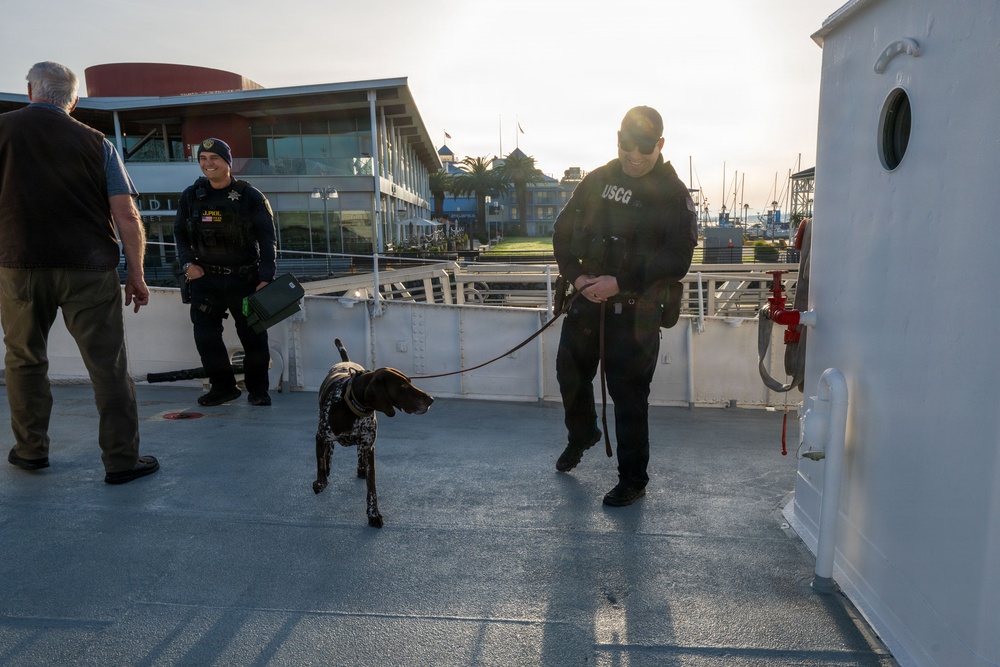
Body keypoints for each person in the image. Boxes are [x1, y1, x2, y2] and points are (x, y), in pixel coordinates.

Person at [0, 61, 158, 484]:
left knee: (24, 360)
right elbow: (125, 212)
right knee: (108, 365)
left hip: (18, 267)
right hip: (89, 268)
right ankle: (122, 461)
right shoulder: (97, 141)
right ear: (73, 101)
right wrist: (137, 274)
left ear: (31, 89)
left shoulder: (3, 129)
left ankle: (31, 452)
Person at [552, 106, 697, 506]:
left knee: (629, 398)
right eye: (625, 144)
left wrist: (621, 281)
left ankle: (633, 479)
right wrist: (577, 278)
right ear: (617, 139)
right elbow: (562, 231)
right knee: (570, 377)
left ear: (660, 144)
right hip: (585, 304)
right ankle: (582, 435)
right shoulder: (597, 180)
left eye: (644, 146)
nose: (633, 154)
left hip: (635, 314)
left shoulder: (673, 194)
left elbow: (678, 258)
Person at [174, 138, 277, 407]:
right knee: (206, 337)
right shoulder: (191, 195)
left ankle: (258, 391)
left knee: (253, 337)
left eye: (214, 158)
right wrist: (188, 264)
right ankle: (223, 388)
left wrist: (266, 277)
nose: (208, 164)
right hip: (205, 280)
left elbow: (267, 240)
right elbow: (180, 235)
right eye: (203, 159)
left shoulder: (250, 196)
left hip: (244, 280)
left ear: (228, 163)